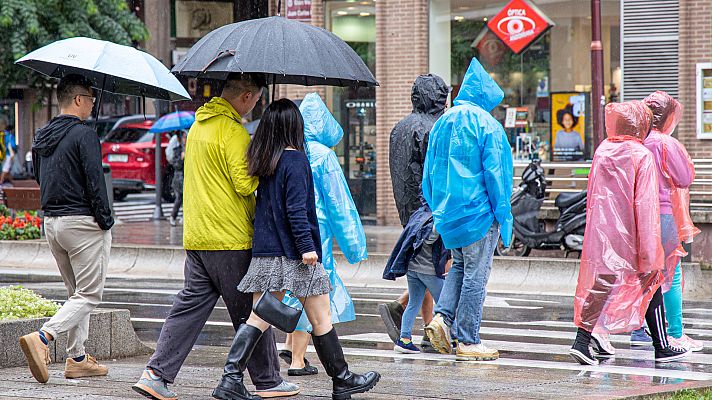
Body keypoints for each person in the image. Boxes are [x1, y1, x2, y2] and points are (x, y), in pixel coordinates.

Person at [133, 73, 298, 400]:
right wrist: (265, 166)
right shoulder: (233, 132)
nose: (255, 106)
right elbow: (245, 184)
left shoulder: (199, 126)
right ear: (247, 96)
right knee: (253, 309)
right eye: (256, 99)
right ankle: (268, 380)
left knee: (189, 308)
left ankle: (155, 374)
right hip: (229, 238)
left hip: (198, 236)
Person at [212, 99, 380, 400]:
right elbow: (296, 210)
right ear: (294, 126)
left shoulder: (264, 161)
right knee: (320, 318)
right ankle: (342, 379)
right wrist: (306, 247)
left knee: (259, 318)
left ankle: (231, 378)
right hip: (296, 256)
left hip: (266, 253)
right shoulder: (296, 160)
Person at [569, 100, 691, 365]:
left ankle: (582, 339)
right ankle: (662, 345)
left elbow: (595, 196)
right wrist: (650, 249)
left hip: (605, 233)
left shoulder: (603, 150)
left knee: (602, 283)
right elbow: (645, 205)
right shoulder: (640, 155)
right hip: (634, 233)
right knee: (653, 280)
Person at [19, 74, 114, 383]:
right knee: (89, 295)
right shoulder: (84, 134)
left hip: (53, 223)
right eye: (91, 98)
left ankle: (77, 359)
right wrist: (105, 221)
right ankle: (44, 338)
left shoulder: (42, 134)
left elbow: (38, 176)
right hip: (83, 223)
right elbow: (95, 183)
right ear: (77, 100)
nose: (92, 103)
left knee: (76, 293)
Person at [422, 58, 513, 361]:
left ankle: (442, 318)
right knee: (476, 275)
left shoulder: (442, 122)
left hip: (449, 215)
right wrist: (505, 217)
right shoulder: (488, 125)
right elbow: (497, 176)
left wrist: (438, 209)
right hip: (479, 214)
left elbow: (429, 174)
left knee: (460, 267)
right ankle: (469, 340)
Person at [278, 93, 368, 376]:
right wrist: (354, 244)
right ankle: (298, 360)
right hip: (317, 231)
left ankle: (290, 344)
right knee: (314, 290)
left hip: (291, 230)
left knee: (297, 288)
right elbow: (340, 204)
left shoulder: (289, 149)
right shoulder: (323, 156)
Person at [379, 74, 450, 350]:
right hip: (429, 209)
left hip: (407, 210)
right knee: (437, 264)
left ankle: (421, 324)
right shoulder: (435, 127)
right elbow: (437, 172)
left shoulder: (398, 128)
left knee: (419, 264)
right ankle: (431, 327)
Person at [643, 91, 703, 352]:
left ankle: (641, 329)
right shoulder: (666, 143)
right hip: (665, 213)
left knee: (644, 274)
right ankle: (674, 332)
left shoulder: (637, 140)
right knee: (670, 272)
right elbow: (684, 177)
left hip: (640, 215)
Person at [382, 201, 449, 354]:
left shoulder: (418, 215)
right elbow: (432, 237)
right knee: (446, 305)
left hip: (413, 269)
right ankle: (458, 339)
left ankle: (404, 340)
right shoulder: (436, 219)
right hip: (429, 272)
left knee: (413, 304)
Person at [168, 130, 186, 226]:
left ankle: (184, 217)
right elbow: (176, 165)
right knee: (179, 198)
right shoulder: (177, 150)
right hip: (179, 179)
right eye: (183, 137)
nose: (185, 140)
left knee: (186, 199)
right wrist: (181, 159)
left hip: (187, 179)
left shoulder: (188, 149)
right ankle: (173, 216)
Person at [0, 118, 15, 184]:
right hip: (9, 154)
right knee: (5, 169)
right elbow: (12, 145)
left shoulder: (3, 135)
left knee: (7, 169)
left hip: (3, 154)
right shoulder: (10, 136)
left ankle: (13, 183)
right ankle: (1, 182)